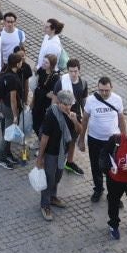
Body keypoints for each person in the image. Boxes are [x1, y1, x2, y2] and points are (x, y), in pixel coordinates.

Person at [78, 75, 126, 202]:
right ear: (98, 88)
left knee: (113, 167)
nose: (104, 93)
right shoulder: (90, 100)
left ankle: (113, 194)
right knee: (96, 166)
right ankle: (98, 189)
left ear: (111, 88)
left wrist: (124, 138)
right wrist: (81, 139)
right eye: (101, 90)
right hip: (94, 139)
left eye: (107, 90)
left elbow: (121, 119)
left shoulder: (117, 100)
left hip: (113, 140)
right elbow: (85, 119)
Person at [35, 89, 78, 221]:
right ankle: (45, 205)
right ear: (58, 103)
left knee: (58, 176)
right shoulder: (51, 115)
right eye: (64, 104)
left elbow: (79, 130)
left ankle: (53, 197)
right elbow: (45, 138)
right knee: (48, 179)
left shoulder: (71, 114)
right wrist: (40, 158)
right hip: (50, 153)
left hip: (62, 152)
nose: (67, 106)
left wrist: (75, 120)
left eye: (69, 104)